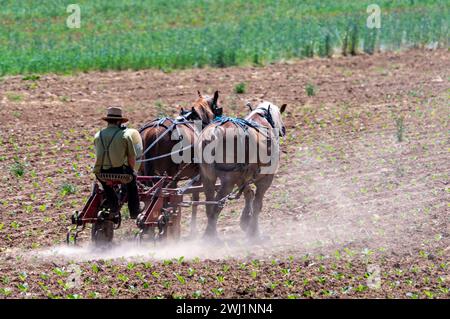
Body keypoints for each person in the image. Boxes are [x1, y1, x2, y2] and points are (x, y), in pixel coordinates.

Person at [93, 106, 142, 219]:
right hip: (120, 172)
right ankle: (134, 211)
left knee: (106, 186)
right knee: (132, 183)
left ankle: (113, 204)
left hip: (102, 173)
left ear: (107, 121)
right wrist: (131, 170)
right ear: (119, 121)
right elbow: (131, 157)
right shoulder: (125, 135)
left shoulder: (98, 135)